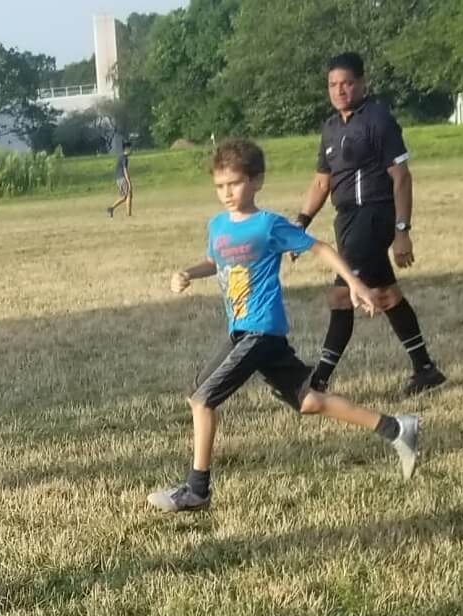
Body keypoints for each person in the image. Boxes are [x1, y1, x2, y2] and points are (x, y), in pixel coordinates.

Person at [148, 139, 421, 514]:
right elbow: (215, 261)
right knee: (309, 401)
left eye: (236, 183)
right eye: (220, 186)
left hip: (259, 330)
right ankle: (396, 429)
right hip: (246, 332)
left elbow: (321, 247)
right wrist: (188, 273)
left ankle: (198, 489)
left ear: (256, 181)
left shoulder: (268, 225)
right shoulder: (218, 226)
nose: (228, 193)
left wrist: (356, 284)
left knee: (201, 397)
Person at [296, 52, 446, 397]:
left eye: (347, 83)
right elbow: (322, 182)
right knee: (385, 294)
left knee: (340, 296)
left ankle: (318, 380)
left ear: (362, 83)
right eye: (333, 84)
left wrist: (402, 231)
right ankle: (425, 368)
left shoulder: (378, 120)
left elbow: (402, 177)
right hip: (346, 219)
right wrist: (300, 222)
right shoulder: (331, 127)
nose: (340, 90)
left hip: (373, 215)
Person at [106, 140, 133, 218]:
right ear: (126, 149)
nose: (131, 150)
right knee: (129, 194)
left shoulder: (121, 157)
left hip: (118, 179)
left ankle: (111, 208)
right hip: (122, 178)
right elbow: (125, 170)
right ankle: (129, 214)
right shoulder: (124, 158)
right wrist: (129, 182)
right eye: (130, 148)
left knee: (124, 196)